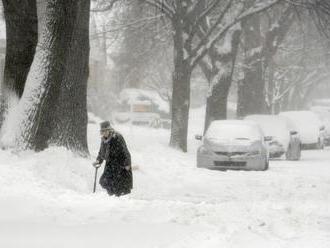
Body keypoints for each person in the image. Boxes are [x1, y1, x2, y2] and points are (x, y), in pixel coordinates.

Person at [92, 121, 133, 196]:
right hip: (110, 164)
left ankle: (118, 199)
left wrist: (127, 163)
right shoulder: (104, 139)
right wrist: (98, 161)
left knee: (118, 184)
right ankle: (112, 197)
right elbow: (101, 152)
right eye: (102, 131)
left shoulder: (117, 137)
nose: (104, 133)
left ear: (109, 130)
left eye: (105, 131)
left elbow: (125, 151)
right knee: (107, 181)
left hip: (120, 164)